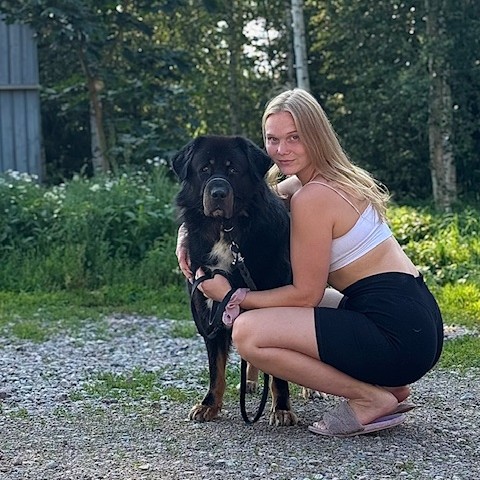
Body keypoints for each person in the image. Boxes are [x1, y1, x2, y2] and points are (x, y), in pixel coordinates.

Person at [176, 88, 443, 437]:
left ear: (316, 135)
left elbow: (305, 295)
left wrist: (230, 296)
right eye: (273, 139)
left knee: (248, 332)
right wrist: (186, 231)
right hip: (416, 322)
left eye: (295, 137)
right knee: (289, 311)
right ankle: (391, 386)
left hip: (397, 333)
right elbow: (254, 201)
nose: (281, 150)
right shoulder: (326, 180)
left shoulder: (314, 197)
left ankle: (368, 399)